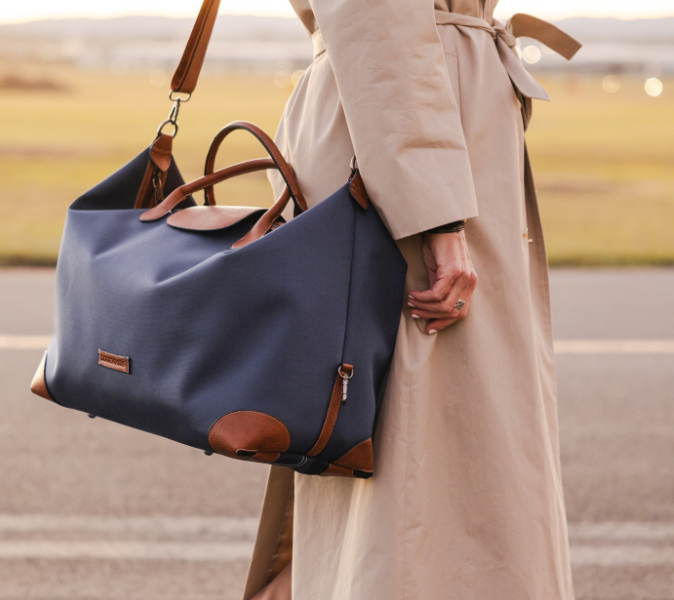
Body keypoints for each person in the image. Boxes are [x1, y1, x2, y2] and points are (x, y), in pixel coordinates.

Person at [244, 1, 581, 599]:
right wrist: (436, 214)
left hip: (409, 115)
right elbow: (377, 14)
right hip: (409, 125)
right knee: (424, 439)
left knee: (392, 434)